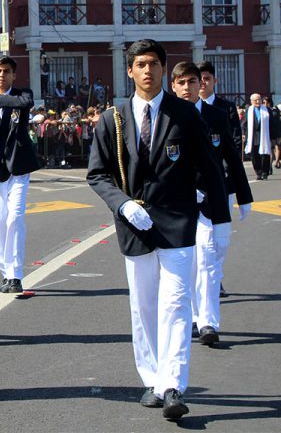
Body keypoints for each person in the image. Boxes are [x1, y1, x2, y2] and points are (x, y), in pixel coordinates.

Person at [87, 39, 231, 422]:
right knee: (145, 307)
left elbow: (209, 167)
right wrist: (123, 204)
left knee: (175, 306)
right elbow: (97, 174)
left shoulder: (184, 114)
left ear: (164, 69)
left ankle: (173, 386)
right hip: (135, 226)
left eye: (153, 63)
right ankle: (151, 378)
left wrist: (217, 218)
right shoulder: (112, 119)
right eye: (140, 64)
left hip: (179, 223)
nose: (147, 71)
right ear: (129, 70)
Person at [170, 62, 252, 348]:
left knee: (208, 260)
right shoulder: (166, 116)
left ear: (200, 85)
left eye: (193, 82)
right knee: (188, 263)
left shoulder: (216, 116)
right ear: (173, 86)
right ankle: (195, 316)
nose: (188, 87)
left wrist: (244, 195)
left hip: (211, 200)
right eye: (181, 82)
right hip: (178, 202)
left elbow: (231, 156)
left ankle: (208, 322)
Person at [0, 55, 39, 293]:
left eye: (7, 71)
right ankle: (5, 272)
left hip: (18, 167)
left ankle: (15, 274)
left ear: (14, 75)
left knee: (15, 218)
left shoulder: (22, 94)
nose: (2, 75)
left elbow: (23, 103)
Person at [196, 61, 242, 157]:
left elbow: (236, 137)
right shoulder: (189, 107)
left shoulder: (227, 107)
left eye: (207, 78)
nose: (203, 82)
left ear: (215, 81)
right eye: (199, 79)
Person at [245, 93, 272, 180]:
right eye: (255, 100)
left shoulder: (267, 110)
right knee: (254, 155)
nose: (257, 101)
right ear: (251, 101)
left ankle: (265, 172)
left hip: (264, 135)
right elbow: (243, 124)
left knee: (264, 155)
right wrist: (243, 134)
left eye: (259, 99)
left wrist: (274, 136)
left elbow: (273, 123)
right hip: (253, 136)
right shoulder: (248, 111)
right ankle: (258, 172)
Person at [265, 97, 281, 170]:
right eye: (264, 103)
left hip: (277, 130)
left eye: (267, 103)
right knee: (270, 148)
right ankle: (269, 165)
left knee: (277, 145)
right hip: (269, 131)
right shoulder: (263, 110)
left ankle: (277, 161)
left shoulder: (275, 109)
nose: (266, 104)